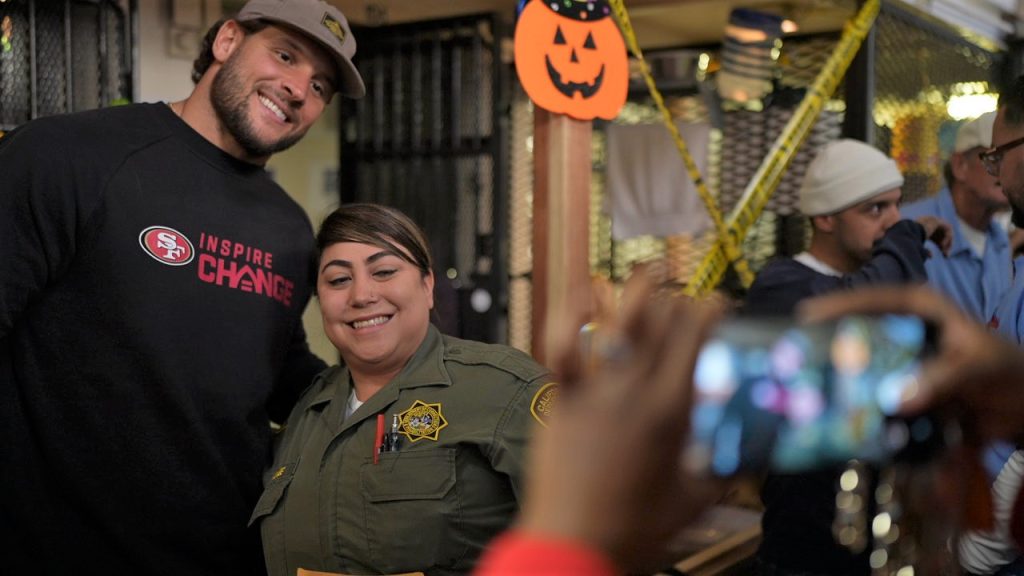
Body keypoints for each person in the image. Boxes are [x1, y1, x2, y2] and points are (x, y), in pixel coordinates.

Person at [0, 0, 364, 572]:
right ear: (226, 41)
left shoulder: (289, 228)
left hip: (230, 551)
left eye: (320, 86)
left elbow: (275, 364)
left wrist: (378, 395)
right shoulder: (66, 156)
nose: (298, 89)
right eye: (285, 55)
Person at [254, 203, 554, 576]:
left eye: (384, 271)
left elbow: (597, 541)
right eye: (338, 280)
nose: (361, 295)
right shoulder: (306, 411)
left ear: (427, 286)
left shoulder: (507, 390)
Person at [743, 138, 950, 575]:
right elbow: (857, 306)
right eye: (874, 209)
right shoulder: (782, 284)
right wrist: (911, 234)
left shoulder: (877, 277)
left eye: (896, 205)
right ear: (825, 218)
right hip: (804, 557)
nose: (892, 221)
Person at [900, 111, 1011, 324]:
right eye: (994, 158)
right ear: (960, 165)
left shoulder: (1000, 242)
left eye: (1012, 159)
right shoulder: (911, 228)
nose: (1005, 170)